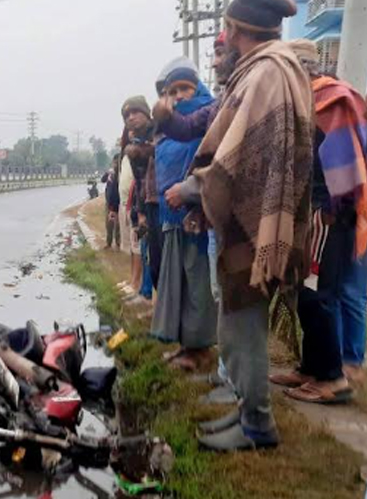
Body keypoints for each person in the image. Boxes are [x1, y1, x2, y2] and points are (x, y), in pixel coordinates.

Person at [193, 0, 313, 451]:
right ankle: (247, 411)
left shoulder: (266, 73)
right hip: (257, 221)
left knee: (244, 328)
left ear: (236, 28)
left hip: (255, 228)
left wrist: (195, 188)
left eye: (226, 28)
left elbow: (236, 159)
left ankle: (258, 426)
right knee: (237, 325)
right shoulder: (271, 68)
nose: (223, 39)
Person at [269, 45, 366, 404]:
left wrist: (327, 213)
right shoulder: (300, 103)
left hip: (328, 215)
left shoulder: (330, 100)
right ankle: (311, 367)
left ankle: (332, 379)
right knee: (304, 292)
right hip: (308, 213)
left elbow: (346, 166)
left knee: (319, 294)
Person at [151, 66, 217, 371]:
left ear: (198, 88)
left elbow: (212, 166)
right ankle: (185, 344)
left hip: (199, 216)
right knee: (178, 281)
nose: (178, 96)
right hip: (171, 215)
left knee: (197, 283)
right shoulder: (168, 129)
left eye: (184, 89)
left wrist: (189, 194)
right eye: (172, 92)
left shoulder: (210, 117)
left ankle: (201, 348)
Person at [120, 97, 153, 294]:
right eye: (127, 115)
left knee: (153, 255)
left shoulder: (159, 134)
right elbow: (141, 183)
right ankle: (144, 291)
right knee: (143, 248)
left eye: (135, 112)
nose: (131, 118)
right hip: (143, 206)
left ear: (146, 113)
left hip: (163, 206)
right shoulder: (132, 149)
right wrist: (141, 212)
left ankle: (146, 292)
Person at [102, 162, 121, 250]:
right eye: (114, 163)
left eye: (116, 163)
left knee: (118, 225)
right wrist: (107, 173)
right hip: (108, 202)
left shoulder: (119, 175)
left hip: (117, 203)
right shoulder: (110, 174)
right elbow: (102, 180)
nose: (114, 165)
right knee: (108, 224)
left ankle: (118, 242)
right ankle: (108, 243)